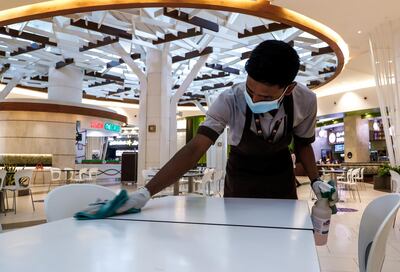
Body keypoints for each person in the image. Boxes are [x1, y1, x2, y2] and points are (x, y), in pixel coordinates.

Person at [116, 40, 337, 212]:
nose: (255, 99)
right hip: (241, 177)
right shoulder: (230, 99)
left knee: (281, 239)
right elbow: (195, 148)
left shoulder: (305, 101)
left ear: (288, 89)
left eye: (265, 96)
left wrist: (316, 181)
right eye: (251, 91)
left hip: (280, 178)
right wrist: (145, 193)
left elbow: (303, 144)